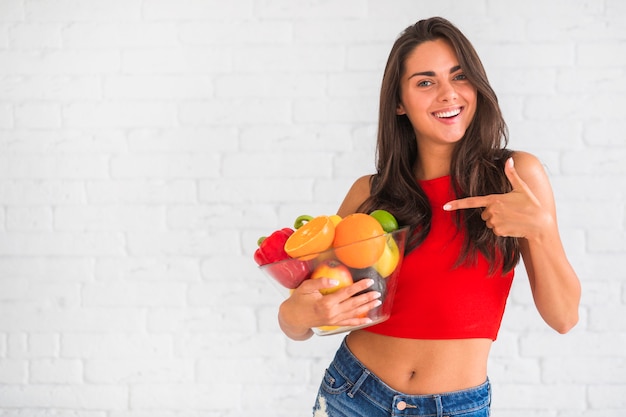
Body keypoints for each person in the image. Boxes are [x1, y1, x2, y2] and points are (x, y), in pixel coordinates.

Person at [278, 16, 581, 417]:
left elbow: (563, 319)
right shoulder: (368, 194)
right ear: (399, 103)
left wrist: (539, 230)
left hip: (455, 407)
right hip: (351, 394)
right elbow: (311, 314)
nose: (448, 94)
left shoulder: (515, 177)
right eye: (425, 82)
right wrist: (295, 316)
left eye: (459, 77)